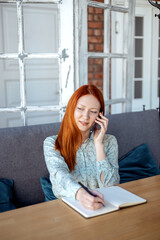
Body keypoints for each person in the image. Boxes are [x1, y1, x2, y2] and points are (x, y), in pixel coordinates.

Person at [43, 84, 120, 210]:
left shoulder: (110, 141)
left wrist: (98, 144)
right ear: (71, 109)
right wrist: (81, 195)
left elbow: (111, 186)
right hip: (65, 209)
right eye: (80, 109)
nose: (85, 116)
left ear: (99, 116)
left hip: (102, 207)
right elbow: (59, 174)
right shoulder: (52, 143)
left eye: (93, 112)